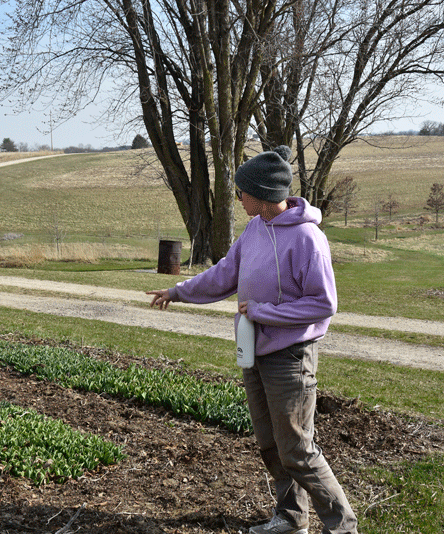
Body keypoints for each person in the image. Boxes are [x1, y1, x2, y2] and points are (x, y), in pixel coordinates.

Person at [147, 146, 358, 534]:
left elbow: (324, 303)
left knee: (296, 449)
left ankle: (343, 527)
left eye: (241, 190)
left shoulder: (308, 238)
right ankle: (292, 518)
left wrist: (263, 312)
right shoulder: (254, 228)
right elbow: (225, 273)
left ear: (260, 194)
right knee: (270, 444)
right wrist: (177, 292)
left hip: (291, 357)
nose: (236, 196)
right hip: (255, 353)